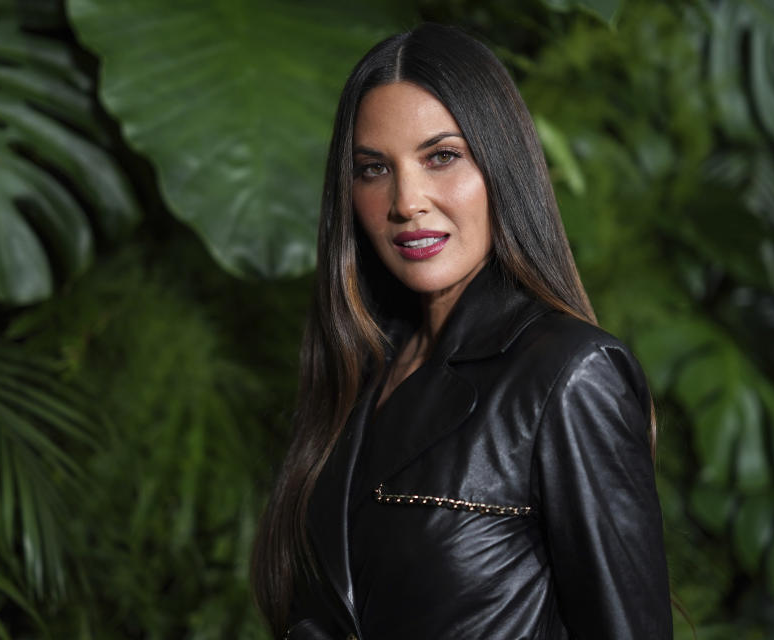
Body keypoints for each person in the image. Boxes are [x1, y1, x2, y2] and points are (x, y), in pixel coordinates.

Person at [251, 23, 672, 640]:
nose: (407, 201)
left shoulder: (569, 375)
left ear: (500, 167)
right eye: (373, 169)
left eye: (441, 157)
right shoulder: (357, 373)